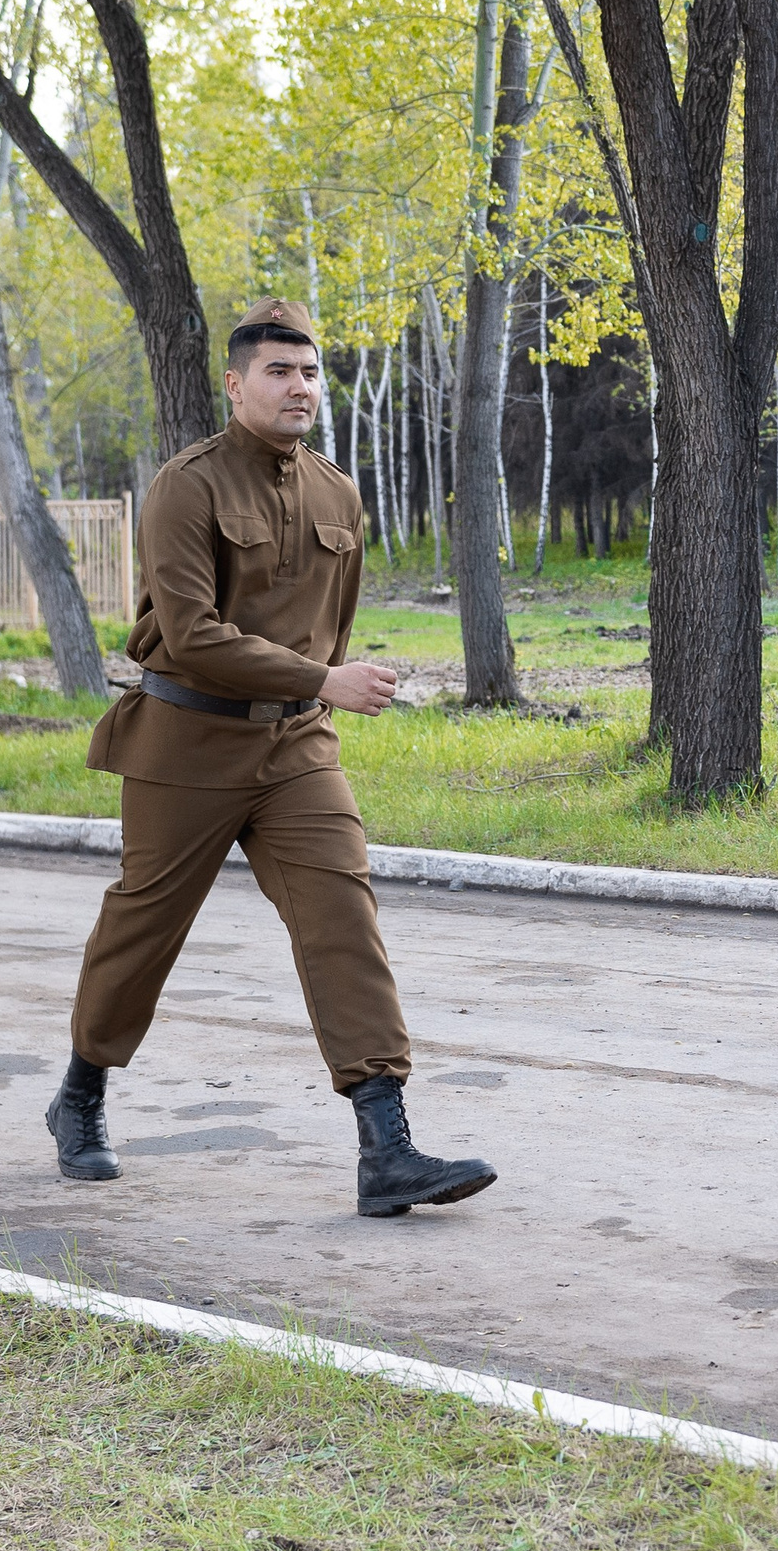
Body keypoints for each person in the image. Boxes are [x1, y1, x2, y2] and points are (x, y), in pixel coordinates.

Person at [44, 298, 496, 1218]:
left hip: (295, 744)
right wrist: (324, 678)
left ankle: (387, 1146)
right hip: (186, 742)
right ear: (237, 383)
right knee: (144, 932)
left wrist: (312, 690)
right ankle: (81, 1094)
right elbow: (190, 633)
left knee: (343, 919)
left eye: (312, 371)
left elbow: (331, 623)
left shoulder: (338, 493)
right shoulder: (188, 485)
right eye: (281, 371)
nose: (301, 387)